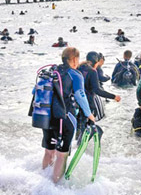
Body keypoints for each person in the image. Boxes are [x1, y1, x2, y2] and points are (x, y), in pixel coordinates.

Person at [40, 47, 96, 183]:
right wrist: (89, 115)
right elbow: (80, 96)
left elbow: (34, 92)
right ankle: (55, 187)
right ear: (75, 59)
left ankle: (43, 181)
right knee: (61, 155)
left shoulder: (51, 71)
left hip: (46, 116)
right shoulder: (75, 74)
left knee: (49, 151)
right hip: (64, 119)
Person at [78, 52, 121, 130]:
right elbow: (97, 90)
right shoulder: (92, 71)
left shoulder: (79, 67)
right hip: (88, 102)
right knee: (88, 127)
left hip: (77, 102)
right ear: (97, 62)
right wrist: (114, 96)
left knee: (79, 126)